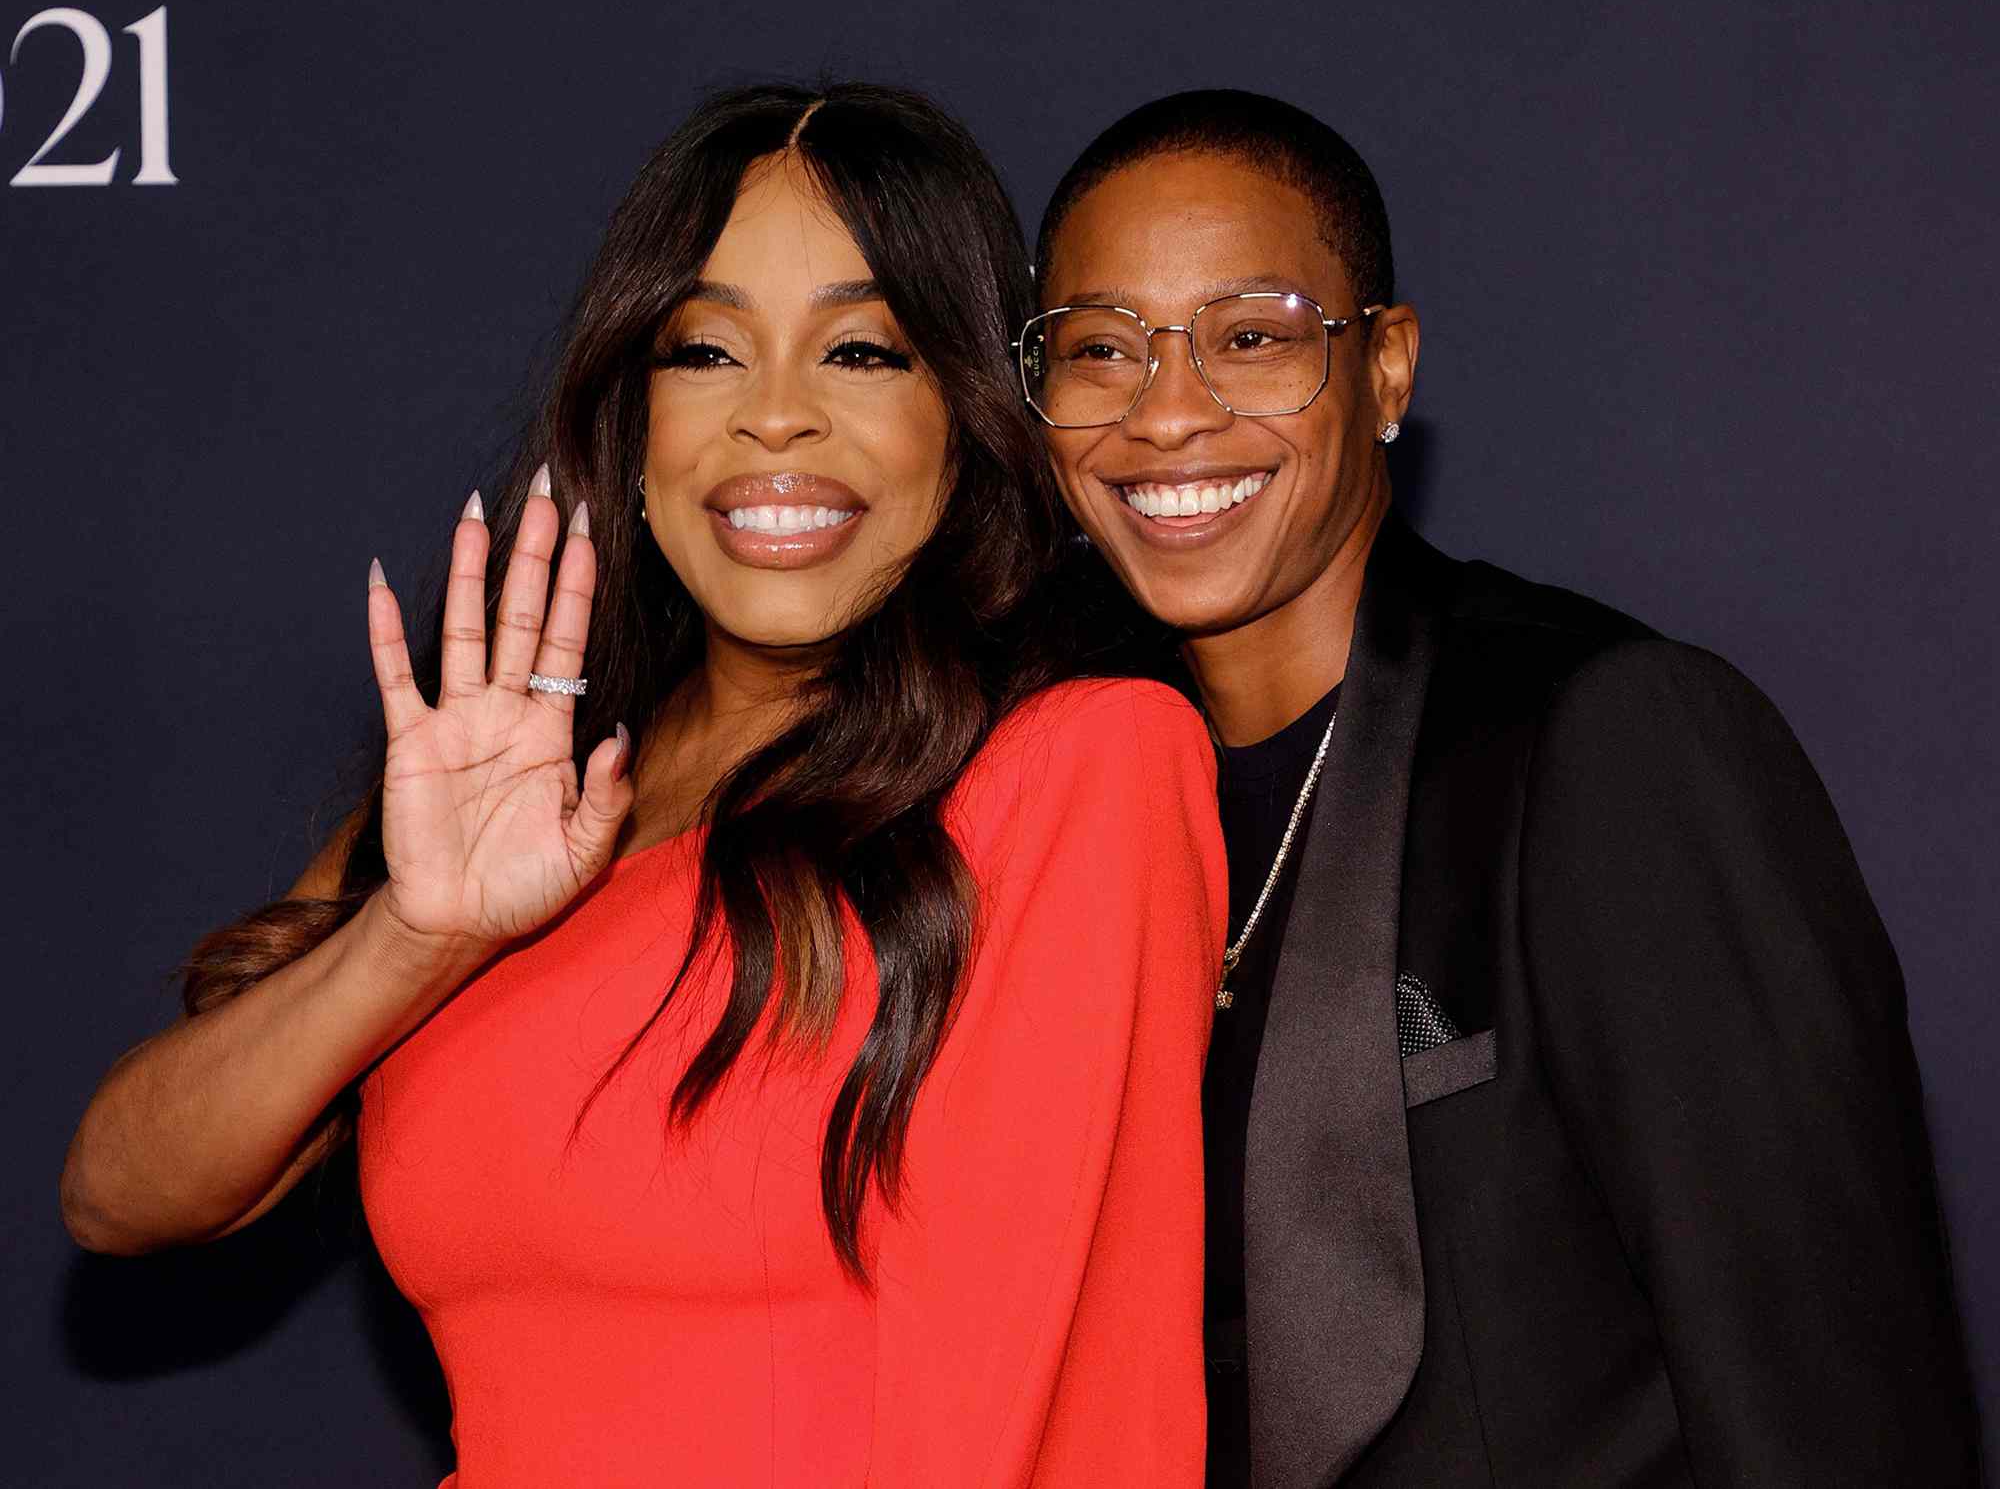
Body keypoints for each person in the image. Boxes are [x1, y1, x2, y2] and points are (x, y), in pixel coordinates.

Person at [61, 84, 1225, 1487]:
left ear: (966, 417)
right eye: (706, 351)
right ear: (635, 413)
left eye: (860, 350)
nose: (775, 419)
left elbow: (1044, 1388)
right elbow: (117, 1193)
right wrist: (418, 936)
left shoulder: (1078, 762)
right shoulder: (507, 786)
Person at [1026, 89, 1981, 1488]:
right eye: (1101, 349)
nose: (1168, 415)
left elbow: (1835, 1415)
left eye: (1251, 336)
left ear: (1389, 370)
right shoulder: (1052, 797)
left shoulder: (1610, 744)